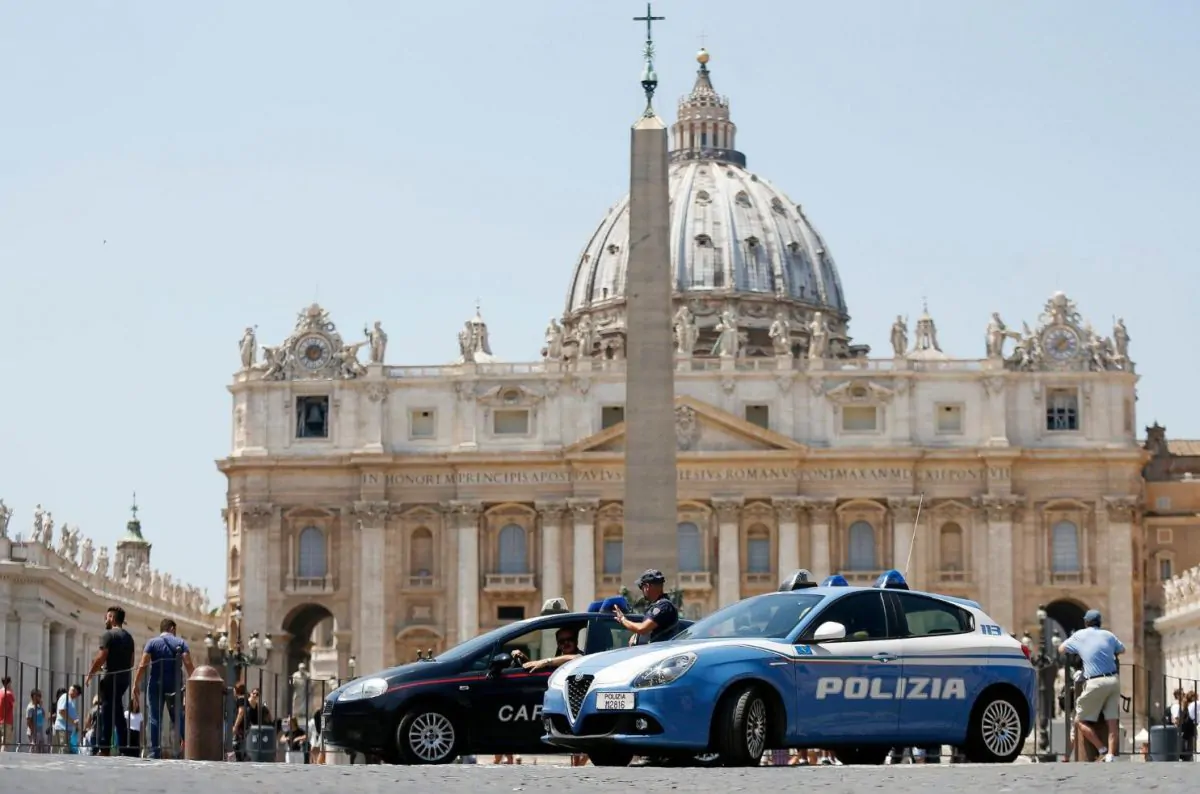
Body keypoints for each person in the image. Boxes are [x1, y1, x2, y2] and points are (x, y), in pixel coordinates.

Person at [1058, 609, 1123, 762]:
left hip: (1095, 681)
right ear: (1100, 622)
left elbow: (1061, 649)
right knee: (1112, 721)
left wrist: (1079, 651)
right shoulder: (1108, 635)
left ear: (1086, 622)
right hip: (1113, 680)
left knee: (1079, 720)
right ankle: (1111, 756)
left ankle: (1101, 748)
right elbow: (1122, 649)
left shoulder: (1080, 635)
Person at [132, 617, 195, 759]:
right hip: (174, 684)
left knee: (154, 718)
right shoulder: (181, 642)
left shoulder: (152, 643)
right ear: (172, 628)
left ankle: (155, 752)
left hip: (155, 683)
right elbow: (188, 664)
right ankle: (191, 747)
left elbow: (143, 664)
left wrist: (136, 683)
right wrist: (195, 680)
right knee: (178, 716)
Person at [84, 605, 136, 756]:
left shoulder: (108, 635)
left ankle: (104, 747)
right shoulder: (129, 638)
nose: (105, 620)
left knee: (106, 712)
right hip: (124, 679)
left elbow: (101, 657)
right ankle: (126, 747)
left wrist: (90, 673)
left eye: (107, 617)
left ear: (112, 618)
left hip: (110, 678)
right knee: (118, 711)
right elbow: (132, 662)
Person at [611, 570, 680, 643]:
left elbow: (642, 629)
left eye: (641, 587)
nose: (642, 591)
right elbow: (647, 630)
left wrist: (622, 619)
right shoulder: (657, 606)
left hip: (659, 652)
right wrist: (636, 637)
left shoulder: (664, 606)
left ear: (647, 586)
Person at [52, 685, 80, 753]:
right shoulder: (65, 697)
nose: (76, 696)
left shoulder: (70, 700)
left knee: (63, 750)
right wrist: (73, 721)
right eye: (77, 694)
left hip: (66, 729)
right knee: (63, 751)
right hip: (62, 729)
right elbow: (62, 711)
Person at [0, 676, 15, 751]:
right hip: (7, 721)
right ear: (9, 683)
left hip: (0, 720)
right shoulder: (9, 694)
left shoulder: (0, 692)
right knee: (5, 742)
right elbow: (14, 706)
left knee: (2, 741)